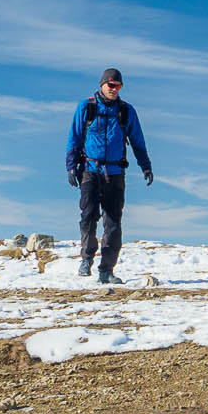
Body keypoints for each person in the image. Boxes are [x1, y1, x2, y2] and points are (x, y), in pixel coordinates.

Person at [64, 68, 152, 283]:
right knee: (88, 216)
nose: (114, 89)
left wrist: (145, 166)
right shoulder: (86, 107)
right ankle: (87, 258)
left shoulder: (126, 111)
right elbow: (75, 137)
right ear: (103, 84)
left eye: (118, 86)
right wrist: (71, 167)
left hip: (115, 173)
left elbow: (138, 141)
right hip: (90, 171)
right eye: (111, 85)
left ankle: (106, 270)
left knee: (113, 223)